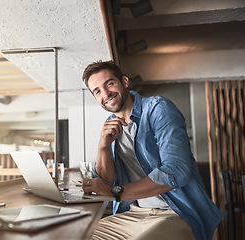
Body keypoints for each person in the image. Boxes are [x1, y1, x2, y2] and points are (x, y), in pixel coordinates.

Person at [81, 60, 222, 240]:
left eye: (109, 83)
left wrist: (116, 193)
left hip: (175, 213)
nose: (106, 93)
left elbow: (177, 171)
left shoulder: (158, 109)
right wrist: (103, 146)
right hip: (134, 213)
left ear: (124, 82)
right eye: (98, 91)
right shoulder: (111, 125)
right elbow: (105, 182)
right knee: (79, 234)